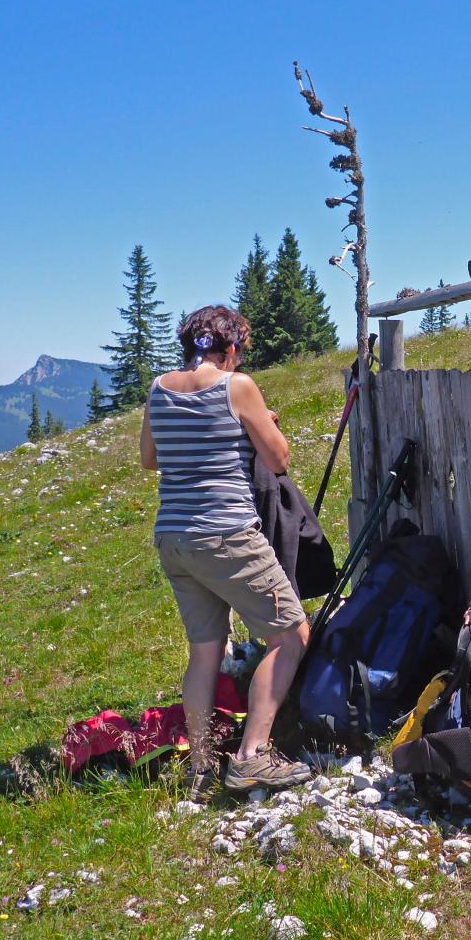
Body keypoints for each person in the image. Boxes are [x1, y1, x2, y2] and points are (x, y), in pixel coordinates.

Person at [140, 305, 312, 795]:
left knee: (205, 650)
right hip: (226, 535)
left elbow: (150, 460)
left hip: (173, 537)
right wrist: (263, 426)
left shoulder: (158, 389)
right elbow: (277, 458)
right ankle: (252, 755)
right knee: (291, 635)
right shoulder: (238, 386)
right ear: (231, 348)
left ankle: (199, 767)